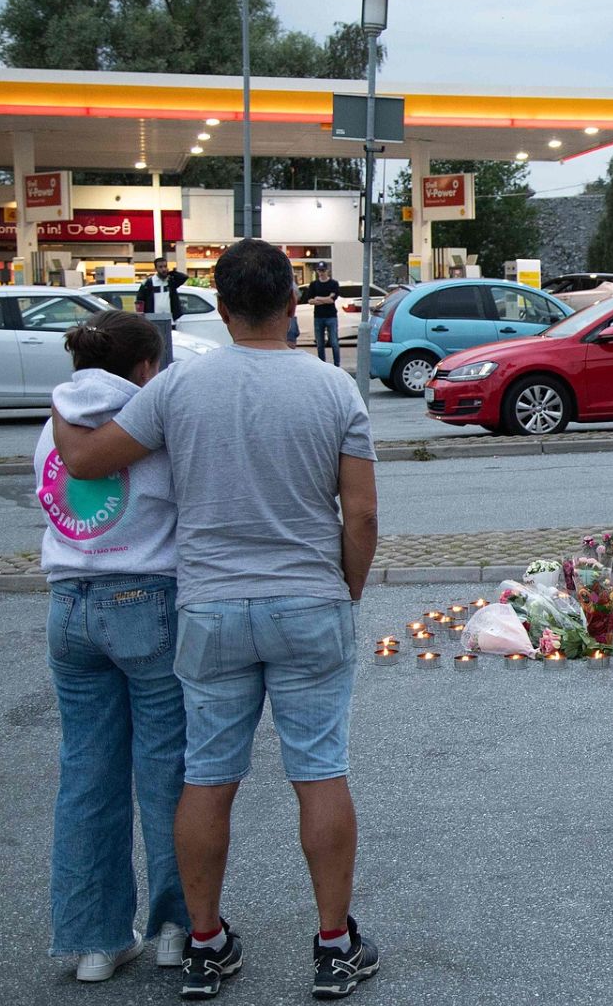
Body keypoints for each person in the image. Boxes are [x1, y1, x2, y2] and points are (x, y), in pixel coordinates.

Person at [51, 238, 382, 1000]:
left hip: (209, 609)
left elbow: (93, 462)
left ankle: (204, 944)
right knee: (319, 770)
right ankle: (334, 945)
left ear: (222, 308)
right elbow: (360, 516)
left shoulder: (179, 389)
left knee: (206, 777)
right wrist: (347, 591)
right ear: (293, 305)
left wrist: (66, 422)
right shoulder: (336, 390)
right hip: (309, 601)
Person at [33, 310, 188, 983]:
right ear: (147, 368)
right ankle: (178, 930)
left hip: (68, 606)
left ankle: (95, 943)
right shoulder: (149, 423)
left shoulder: (54, 426)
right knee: (167, 775)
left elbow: (47, 499)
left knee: (86, 777)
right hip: (147, 602)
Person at [303, 263, 343, 366]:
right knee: (320, 343)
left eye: (323, 270)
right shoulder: (313, 285)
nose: (321, 273)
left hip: (331, 316)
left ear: (327, 271)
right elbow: (310, 301)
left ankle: (337, 364)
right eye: (319, 270)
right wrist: (325, 299)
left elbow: (332, 300)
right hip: (318, 316)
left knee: (334, 342)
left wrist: (318, 298)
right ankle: (322, 364)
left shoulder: (333, 283)